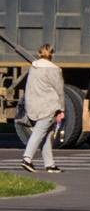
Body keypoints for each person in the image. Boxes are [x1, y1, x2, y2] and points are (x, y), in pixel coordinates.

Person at [20, 44, 66, 173]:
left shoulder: (33, 67)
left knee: (44, 134)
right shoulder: (54, 69)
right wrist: (62, 109)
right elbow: (59, 90)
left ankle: (50, 164)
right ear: (52, 55)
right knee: (39, 132)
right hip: (48, 105)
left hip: (33, 104)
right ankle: (27, 158)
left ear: (39, 54)